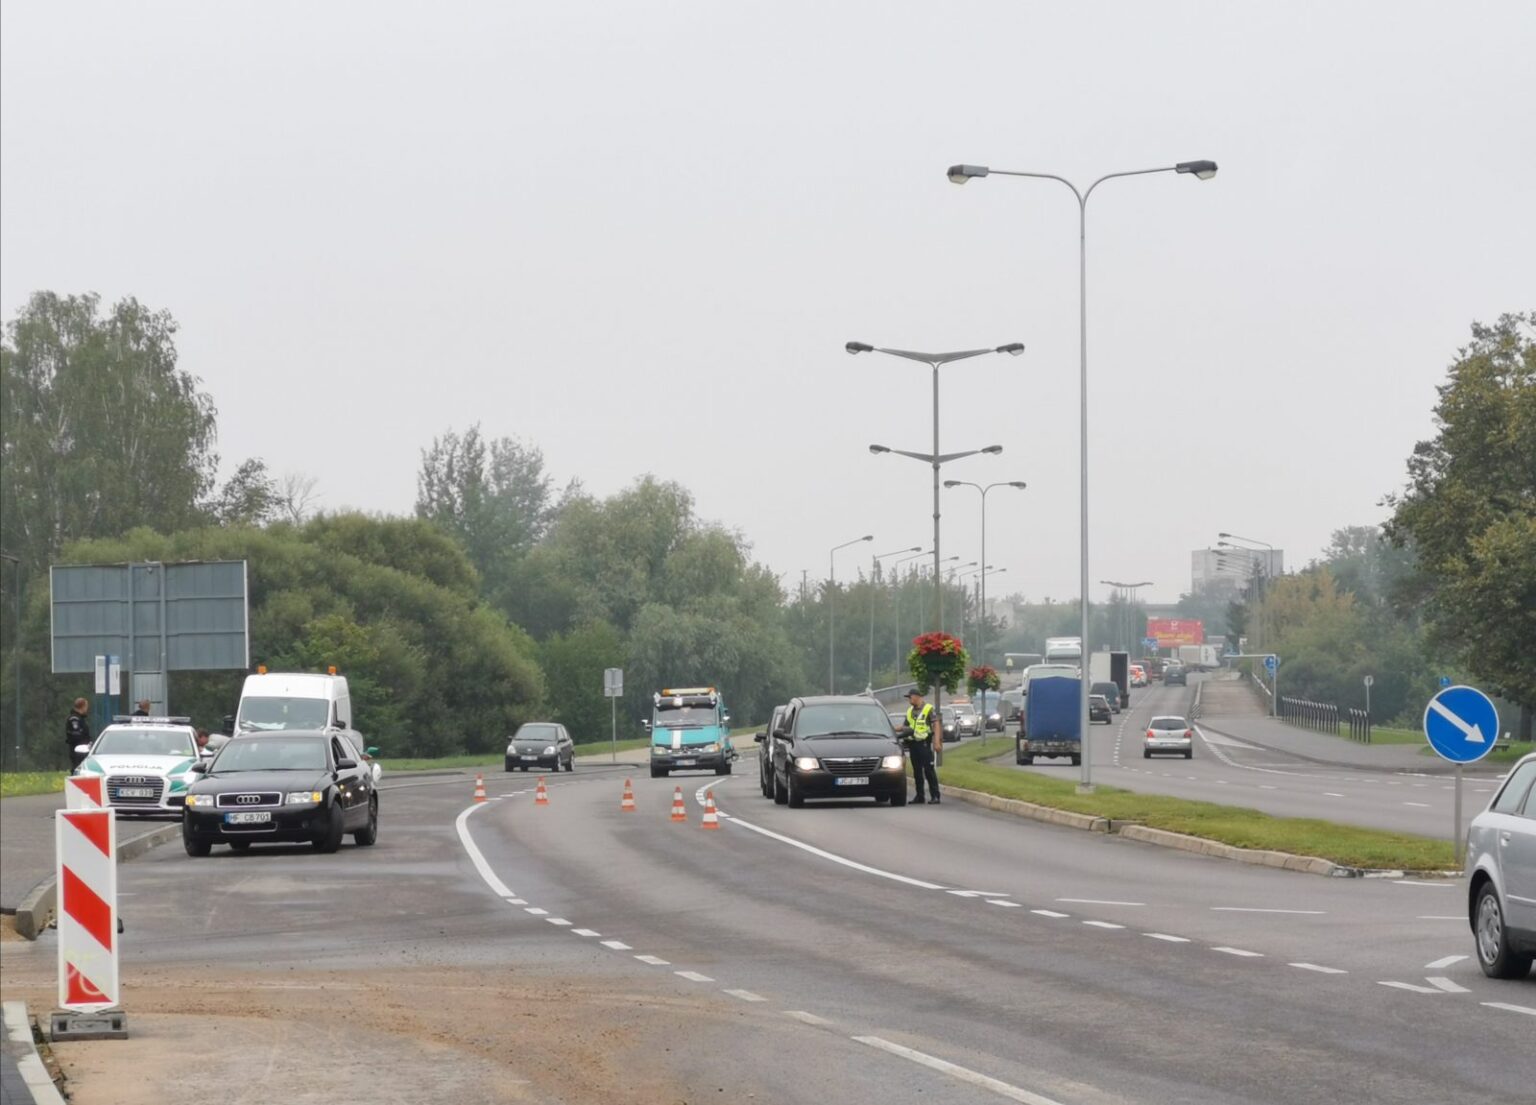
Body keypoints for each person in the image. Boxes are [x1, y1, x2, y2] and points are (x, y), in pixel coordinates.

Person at [900, 686, 942, 805]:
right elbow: (905, 727)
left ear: (917, 697)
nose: (909, 700)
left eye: (910, 697)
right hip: (913, 744)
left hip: (924, 743)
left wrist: (936, 742)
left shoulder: (928, 709)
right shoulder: (910, 711)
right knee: (917, 771)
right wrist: (892, 729)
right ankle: (920, 796)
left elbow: (936, 724)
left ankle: (935, 795)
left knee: (929, 770)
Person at [65, 698, 92, 770]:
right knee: (77, 770)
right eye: (86, 707)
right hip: (78, 751)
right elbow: (76, 735)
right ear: (82, 707)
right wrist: (85, 743)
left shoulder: (80, 718)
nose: (87, 709)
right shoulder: (74, 719)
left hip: (83, 750)